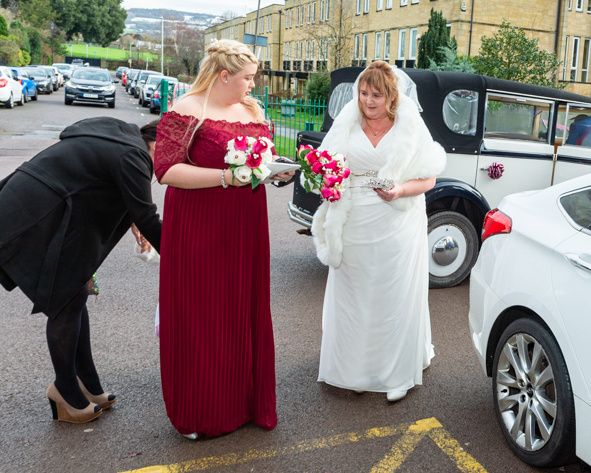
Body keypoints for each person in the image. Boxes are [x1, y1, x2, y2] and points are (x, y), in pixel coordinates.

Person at [154, 39, 291, 439]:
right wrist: (225, 178)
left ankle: (245, 403)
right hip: (199, 222)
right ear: (223, 75)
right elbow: (166, 170)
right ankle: (203, 410)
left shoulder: (253, 109)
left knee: (242, 307)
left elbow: (260, 163)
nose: (253, 85)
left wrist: (276, 172)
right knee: (203, 310)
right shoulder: (187, 109)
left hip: (246, 224)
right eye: (247, 78)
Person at [0, 117, 162, 423]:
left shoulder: (125, 139)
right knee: (66, 299)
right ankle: (65, 391)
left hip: (43, 203)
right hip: (36, 212)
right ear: (158, 144)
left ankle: (88, 384)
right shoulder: (134, 155)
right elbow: (148, 216)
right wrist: (184, 256)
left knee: (74, 293)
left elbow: (111, 186)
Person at [312, 61, 447, 402]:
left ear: (392, 97)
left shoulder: (410, 127)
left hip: (397, 223)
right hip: (354, 222)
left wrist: (399, 191)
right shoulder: (347, 124)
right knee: (356, 297)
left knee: (392, 296)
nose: (368, 101)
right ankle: (356, 371)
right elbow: (325, 168)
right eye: (363, 93)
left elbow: (429, 177)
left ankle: (395, 374)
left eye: (376, 94)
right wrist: (326, 182)